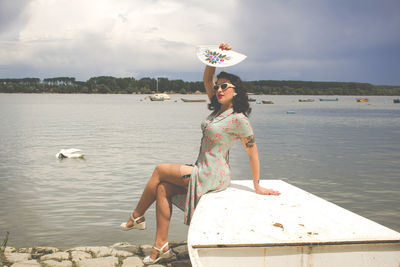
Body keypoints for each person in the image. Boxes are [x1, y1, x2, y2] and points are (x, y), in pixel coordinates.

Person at [120, 42, 280, 265]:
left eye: (225, 86)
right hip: (202, 168)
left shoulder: (239, 119)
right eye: (218, 87)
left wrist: (257, 185)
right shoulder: (217, 111)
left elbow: (253, 153)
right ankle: (161, 244)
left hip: (213, 174)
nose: (219, 90)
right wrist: (214, 57)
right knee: (163, 188)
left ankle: (136, 216)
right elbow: (207, 79)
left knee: (159, 170)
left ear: (236, 91)